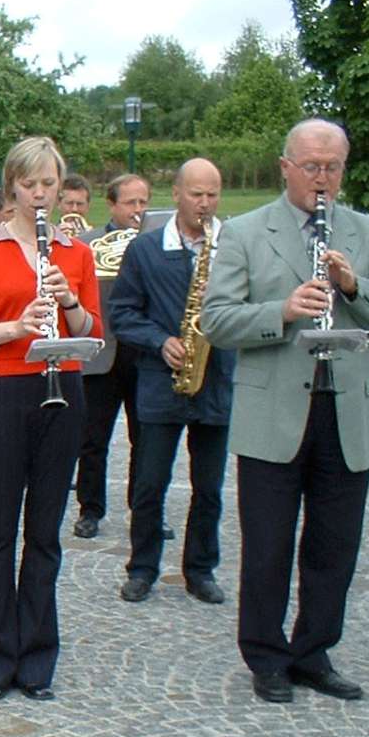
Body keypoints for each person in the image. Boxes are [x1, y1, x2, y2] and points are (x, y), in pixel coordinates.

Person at [203, 119, 369, 704]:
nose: (323, 179)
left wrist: (354, 288)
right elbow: (217, 321)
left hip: (344, 413)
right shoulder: (246, 233)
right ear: (285, 167)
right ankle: (266, 656)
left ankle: (314, 651)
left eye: (333, 167)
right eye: (312, 167)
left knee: (333, 545)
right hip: (274, 413)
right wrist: (284, 310)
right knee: (267, 544)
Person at [0, 136, 101, 703]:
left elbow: (90, 329)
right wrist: (13, 328)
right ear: (11, 187)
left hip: (61, 388)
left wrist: (66, 303)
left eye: (49, 185)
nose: (40, 195)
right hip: (4, 393)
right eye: (30, 185)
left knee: (45, 533)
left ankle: (37, 658)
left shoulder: (76, 253)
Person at [107, 158, 234, 606]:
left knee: (210, 486)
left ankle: (200, 570)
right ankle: (142, 568)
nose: (204, 203)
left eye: (212, 194)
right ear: (177, 193)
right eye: (196, 194)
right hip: (161, 378)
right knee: (149, 481)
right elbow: (121, 313)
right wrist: (160, 341)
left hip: (216, 377)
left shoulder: (231, 245)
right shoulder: (146, 249)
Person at [72, 173, 152, 540]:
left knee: (147, 438)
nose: (138, 210)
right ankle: (90, 509)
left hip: (145, 352)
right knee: (93, 437)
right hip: (102, 351)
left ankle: (145, 510)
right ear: (113, 205)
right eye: (131, 203)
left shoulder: (155, 243)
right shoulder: (87, 244)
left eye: (143, 202)